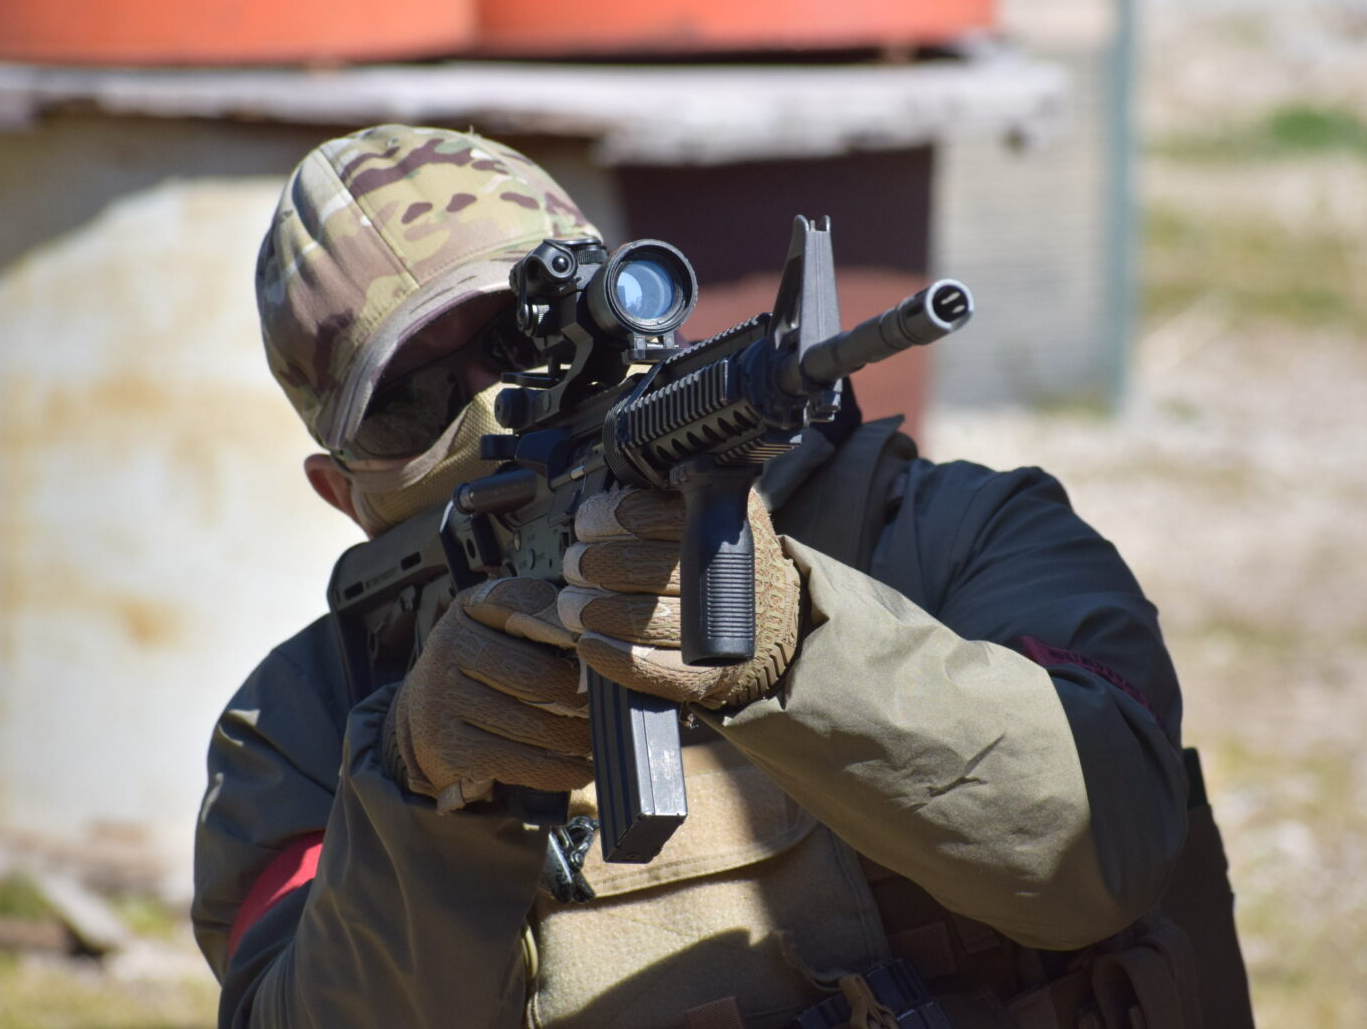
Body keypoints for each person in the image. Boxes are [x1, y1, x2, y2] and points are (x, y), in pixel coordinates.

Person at [193, 125, 1241, 1028]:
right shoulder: (301, 724)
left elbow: (1104, 853)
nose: (492, 398)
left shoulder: (953, 538)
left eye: (520, 337)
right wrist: (420, 793)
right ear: (341, 491)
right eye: (413, 397)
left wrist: (800, 647)